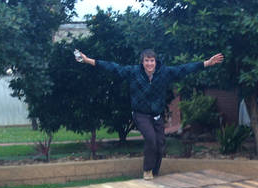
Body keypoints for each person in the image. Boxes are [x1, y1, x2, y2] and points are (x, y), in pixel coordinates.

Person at [75, 48, 224, 180]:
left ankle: (155, 172)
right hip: (140, 114)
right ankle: (147, 170)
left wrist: (206, 63)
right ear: (142, 62)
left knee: (160, 144)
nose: (149, 64)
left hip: (157, 115)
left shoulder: (164, 72)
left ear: (155, 61)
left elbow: (183, 69)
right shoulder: (134, 72)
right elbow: (113, 68)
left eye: (152, 61)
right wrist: (88, 60)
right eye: (146, 61)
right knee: (151, 139)